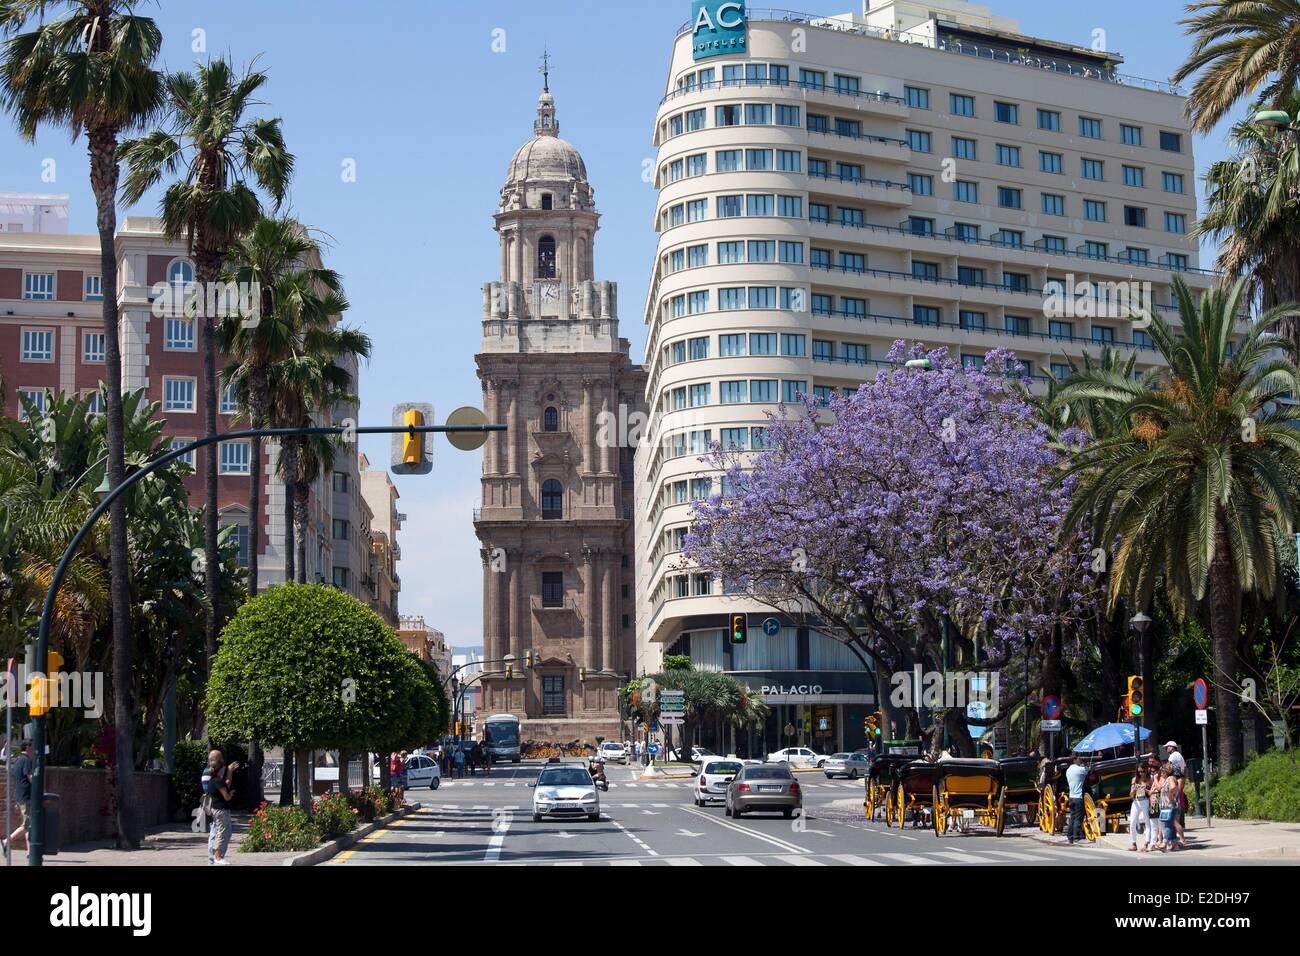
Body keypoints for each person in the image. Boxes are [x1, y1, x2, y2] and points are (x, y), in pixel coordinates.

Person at [206, 749, 239, 865]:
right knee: (222, 833)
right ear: (220, 766)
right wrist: (231, 794)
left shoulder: (213, 781)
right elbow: (226, 796)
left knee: (220, 832)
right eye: (222, 762)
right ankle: (217, 857)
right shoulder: (217, 781)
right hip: (221, 811)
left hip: (216, 810)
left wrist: (230, 771)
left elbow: (227, 783)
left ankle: (214, 858)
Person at [3, 741, 32, 856]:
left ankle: (30, 852)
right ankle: (6, 841)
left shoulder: (19, 760)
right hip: (25, 796)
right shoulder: (26, 760)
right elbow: (30, 778)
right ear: (28, 747)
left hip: (19, 796)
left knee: (29, 825)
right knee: (27, 825)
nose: (33, 749)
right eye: (32, 746)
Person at [1128, 766, 1156, 852]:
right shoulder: (1135, 779)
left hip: (1145, 801)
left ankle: (1147, 842)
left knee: (1147, 822)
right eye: (1139, 771)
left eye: (1143, 771)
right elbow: (1131, 794)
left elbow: (1152, 791)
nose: (1141, 773)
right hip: (1136, 801)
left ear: (1146, 771)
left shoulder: (1149, 779)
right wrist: (1134, 789)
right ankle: (1133, 843)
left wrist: (1146, 789)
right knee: (1132, 822)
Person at [1064, 754, 1088, 845]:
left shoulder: (1068, 770)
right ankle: (1076, 837)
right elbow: (1087, 771)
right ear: (1074, 759)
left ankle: (1070, 837)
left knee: (1072, 817)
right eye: (1079, 758)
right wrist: (1085, 765)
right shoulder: (1080, 769)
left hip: (1071, 797)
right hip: (1078, 797)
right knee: (1078, 818)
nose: (1080, 760)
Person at [1157, 761, 1180, 852]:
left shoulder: (1170, 778)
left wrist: (1170, 796)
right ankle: (1174, 843)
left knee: (1168, 824)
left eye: (1162, 772)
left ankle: (1165, 842)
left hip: (1170, 805)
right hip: (1167, 805)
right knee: (1170, 824)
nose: (1161, 774)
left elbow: (1173, 787)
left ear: (1166, 772)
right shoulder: (1168, 779)